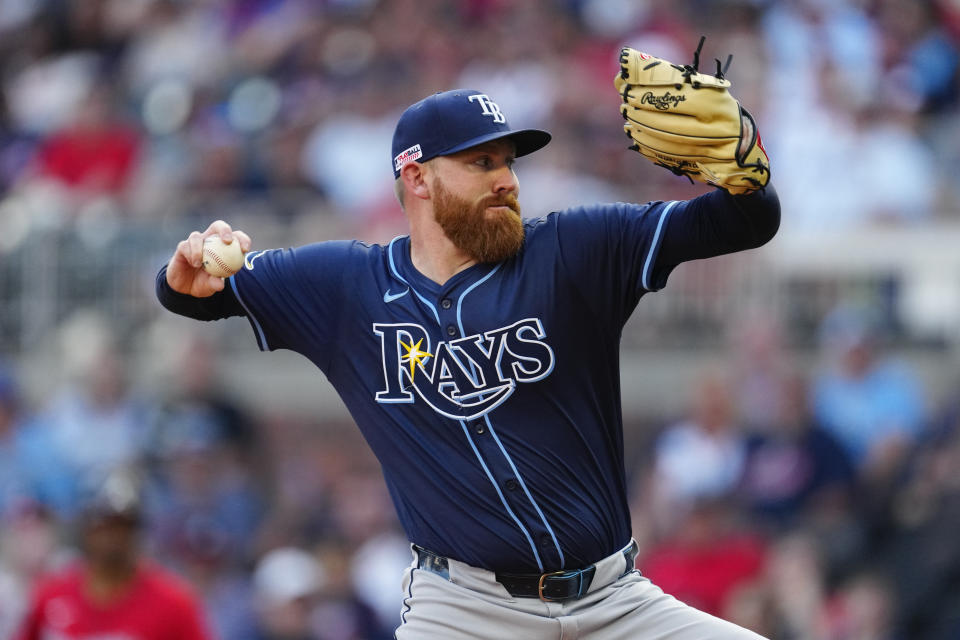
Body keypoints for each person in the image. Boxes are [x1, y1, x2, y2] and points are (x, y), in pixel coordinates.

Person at [156, 84, 779, 638]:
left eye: (508, 162)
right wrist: (188, 268)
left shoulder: (572, 251)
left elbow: (743, 223)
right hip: (463, 613)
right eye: (481, 162)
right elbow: (189, 293)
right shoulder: (346, 288)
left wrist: (739, 163)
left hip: (616, 603)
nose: (506, 178)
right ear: (418, 177)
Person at [14, 469, 212, 640]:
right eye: (101, 525)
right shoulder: (52, 595)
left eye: (120, 525)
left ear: (135, 529)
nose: (111, 537)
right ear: (86, 528)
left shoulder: (173, 604)